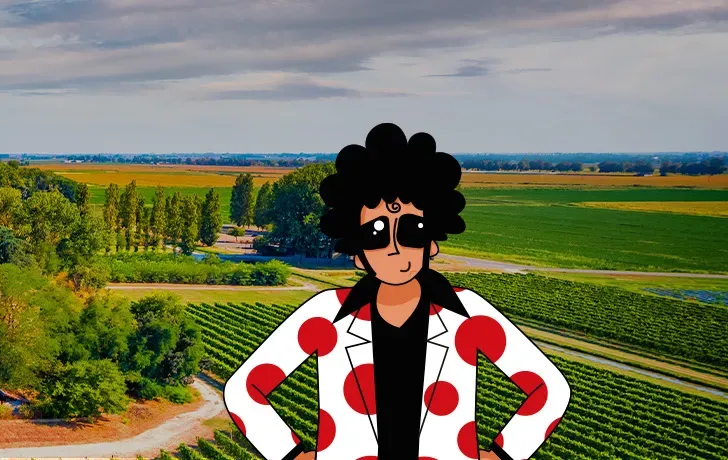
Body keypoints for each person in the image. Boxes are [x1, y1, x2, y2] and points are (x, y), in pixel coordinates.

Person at [222, 124, 570, 460]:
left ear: (430, 243)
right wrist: (292, 454)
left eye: (411, 230)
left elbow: (550, 390)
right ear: (358, 254)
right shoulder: (325, 314)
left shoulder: (468, 314)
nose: (393, 247)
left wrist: (503, 454)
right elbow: (243, 391)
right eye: (375, 234)